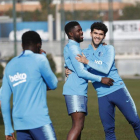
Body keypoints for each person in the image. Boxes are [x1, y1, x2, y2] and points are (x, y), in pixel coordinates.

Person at [75, 22, 140, 140]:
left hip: (118, 90)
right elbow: (79, 69)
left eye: (101, 34)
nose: (97, 36)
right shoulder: (84, 53)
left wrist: (87, 62)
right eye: (95, 33)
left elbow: (105, 69)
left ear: (104, 36)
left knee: (135, 121)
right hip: (102, 95)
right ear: (91, 33)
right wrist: (67, 69)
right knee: (108, 130)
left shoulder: (109, 49)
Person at [1, 31, 58, 140]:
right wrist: (44, 57)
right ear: (39, 45)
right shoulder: (40, 59)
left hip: (20, 124)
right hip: (39, 120)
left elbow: (4, 99)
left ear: (22, 45)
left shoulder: (10, 65)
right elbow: (54, 84)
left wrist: (8, 129)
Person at [63, 21, 114, 140]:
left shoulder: (71, 46)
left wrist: (66, 68)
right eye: (79, 31)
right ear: (71, 33)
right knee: (78, 126)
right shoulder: (73, 48)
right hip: (75, 91)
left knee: (79, 126)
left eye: (81, 30)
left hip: (77, 90)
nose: (82, 32)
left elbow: (68, 63)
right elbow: (81, 72)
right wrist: (101, 79)